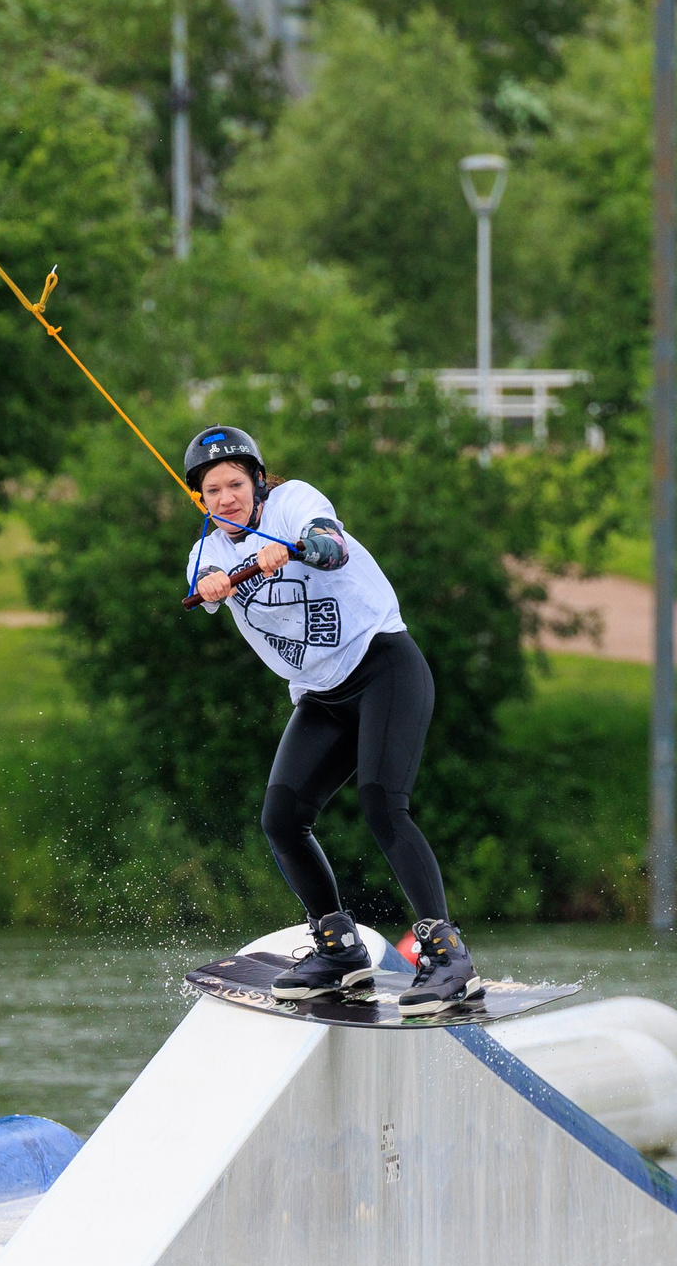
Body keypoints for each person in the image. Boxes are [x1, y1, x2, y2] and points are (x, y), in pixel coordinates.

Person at [182, 424, 483, 1012]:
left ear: (257, 481)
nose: (226, 498)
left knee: (382, 803)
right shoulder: (207, 552)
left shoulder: (294, 503)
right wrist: (213, 586)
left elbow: (331, 545)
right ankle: (340, 950)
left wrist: (292, 548)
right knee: (282, 818)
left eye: (235, 484)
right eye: (212, 490)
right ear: (201, 499)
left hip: (382, 666)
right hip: (321, 696)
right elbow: (203, 585)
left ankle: (448, 956)